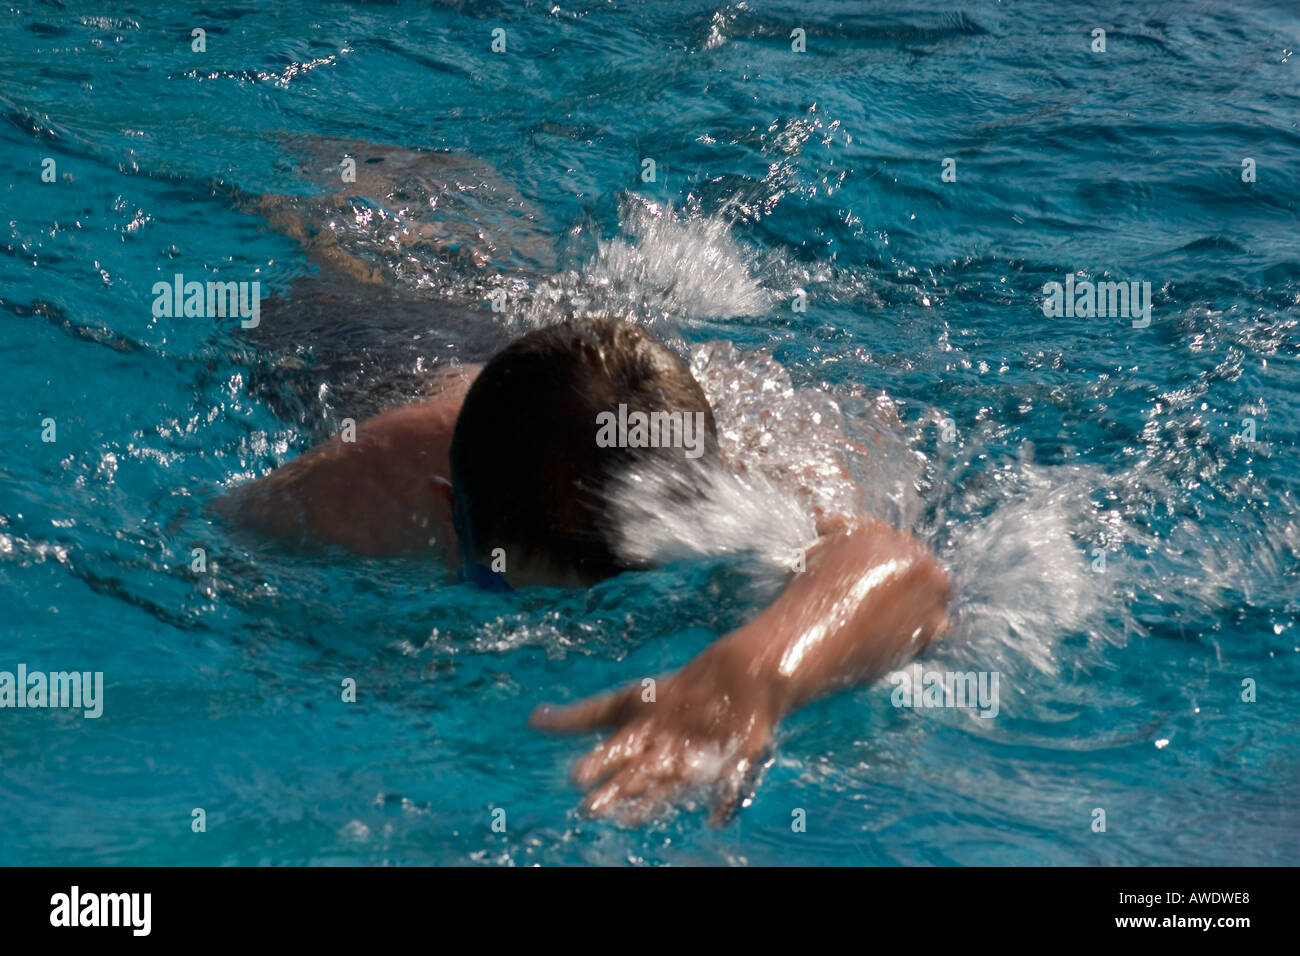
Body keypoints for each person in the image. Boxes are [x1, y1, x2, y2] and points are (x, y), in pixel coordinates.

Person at [217, 314, 950, 825]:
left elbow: (907, 574)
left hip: (554, 379)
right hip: (357, 339)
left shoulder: (732, 481)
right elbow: (209, 551)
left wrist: (752, 674)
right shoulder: (358, 488)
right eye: (501, 589)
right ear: (447, 514)